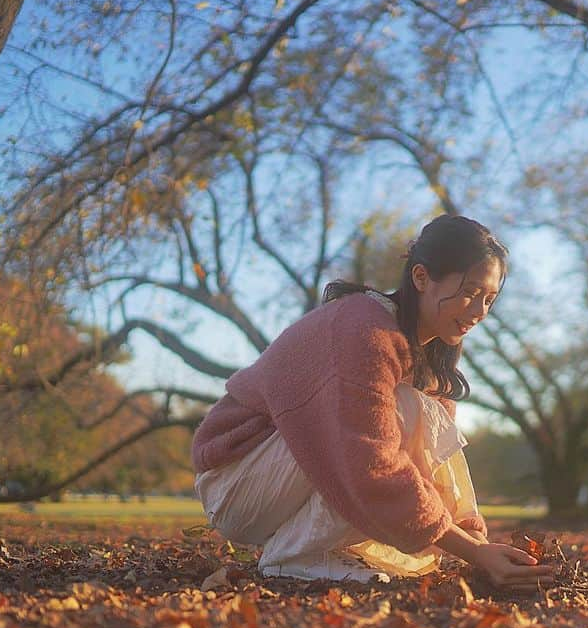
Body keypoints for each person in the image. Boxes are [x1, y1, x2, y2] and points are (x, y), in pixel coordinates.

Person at [191, 215, 555, 590]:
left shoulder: (429, 353)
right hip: (236, 485)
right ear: (420, 278)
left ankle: (311, 549)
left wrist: (479, 549)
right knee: (403, 410)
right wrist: (473, 552)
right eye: (469, 292)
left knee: (419, 413)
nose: (479, 312)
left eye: (489, 299)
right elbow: (368, 462)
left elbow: (440, 465)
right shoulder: (365, 331)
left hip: (279, 477)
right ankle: (297, 555)